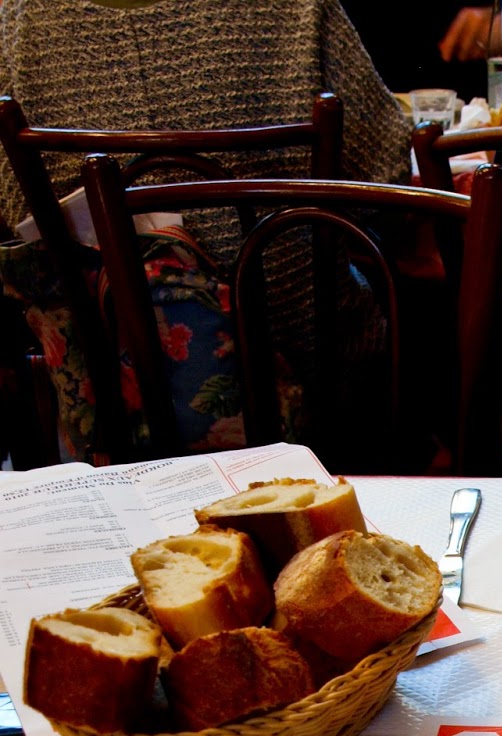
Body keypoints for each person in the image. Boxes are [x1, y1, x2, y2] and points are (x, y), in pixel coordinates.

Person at [0, 0, 413, 463]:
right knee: (396, 307)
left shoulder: (18, 22)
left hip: (109, 410)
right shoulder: (297, 8)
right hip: (314, 393)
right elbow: (385, 171)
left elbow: (12, 210)